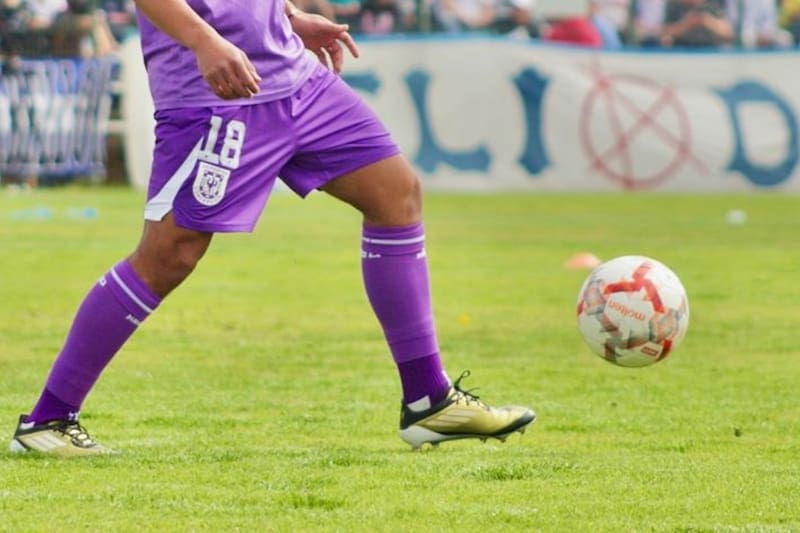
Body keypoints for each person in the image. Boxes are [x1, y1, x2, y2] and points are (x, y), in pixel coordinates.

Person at [10, 0, 535, 456]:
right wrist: (205, 40)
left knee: (397, 196)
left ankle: (429, 400)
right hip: (215, 93)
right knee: (169, 254)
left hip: (298, 82)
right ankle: (48, 419)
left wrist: (284, 16)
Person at [660, 0, 733, 48]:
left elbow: (728, 34)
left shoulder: (714, 3)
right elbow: (663, 32)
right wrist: (686, 24)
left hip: (711, 52)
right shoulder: (674, 4)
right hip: (681, 52)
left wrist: (707, 21)